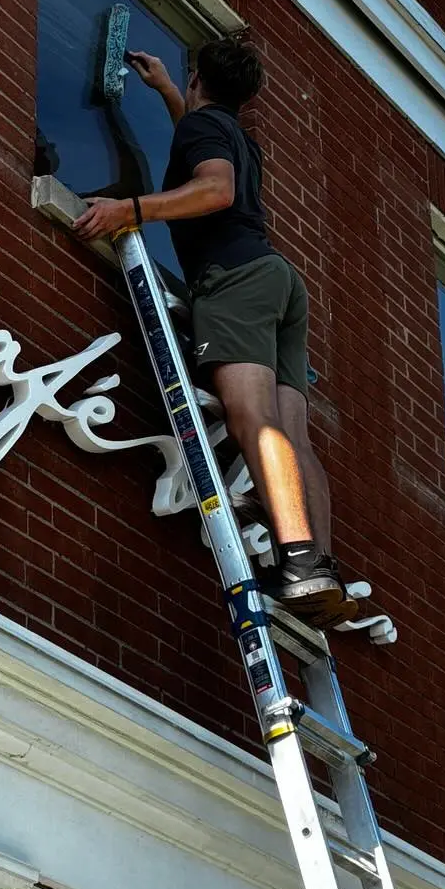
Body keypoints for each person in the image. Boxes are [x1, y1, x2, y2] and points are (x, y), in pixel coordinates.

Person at [73, 37, 346, 621]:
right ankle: (318, 567)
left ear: (200, 77)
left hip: (236, 282)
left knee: (252, 417)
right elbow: (205, 154)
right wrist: (172, 94)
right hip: (277, 281)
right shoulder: (232, 134)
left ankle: (295, 558)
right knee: (293, 433)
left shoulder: (208, 137)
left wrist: (130, 209)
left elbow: (214, 190)